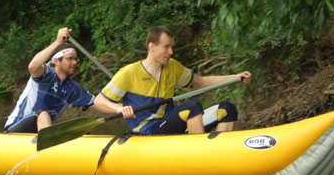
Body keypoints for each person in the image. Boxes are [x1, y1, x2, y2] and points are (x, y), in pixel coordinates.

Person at [95, 26, 251, 135]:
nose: (171, 52)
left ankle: (221, 154)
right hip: (149, 130)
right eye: (166, 47)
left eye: (172, 47)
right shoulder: (129, 73)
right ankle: (202, 155)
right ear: (152, 46)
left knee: (227, 108)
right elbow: (99, 101)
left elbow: (201, 81)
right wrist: (118, 109)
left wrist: (235, 77)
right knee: (193, 106)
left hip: (170, 124)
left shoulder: (173, 67)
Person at [4, 27, 131, 133]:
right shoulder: (45, 74)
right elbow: (32, 66)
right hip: (15, 131)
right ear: (56, 61)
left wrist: (120, 108)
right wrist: (57, 43)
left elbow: (96, 102)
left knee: (81, 130)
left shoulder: (73, 89)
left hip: (40, 135)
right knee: (42, 114)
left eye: (75, 59)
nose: (74, 62)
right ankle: (47, 151)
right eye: (69, 59)